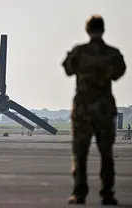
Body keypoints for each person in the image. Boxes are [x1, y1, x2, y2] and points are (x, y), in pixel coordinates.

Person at [62, 14, 126, 205]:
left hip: (83, 109)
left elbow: (67, 70)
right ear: (103, 30)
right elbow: (118, 73)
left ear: (87, 30)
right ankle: (107, 193)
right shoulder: (112, 54)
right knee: (106, 153)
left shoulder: (79, 52)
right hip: (104, 109)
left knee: (80, 153)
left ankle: (79, 193)